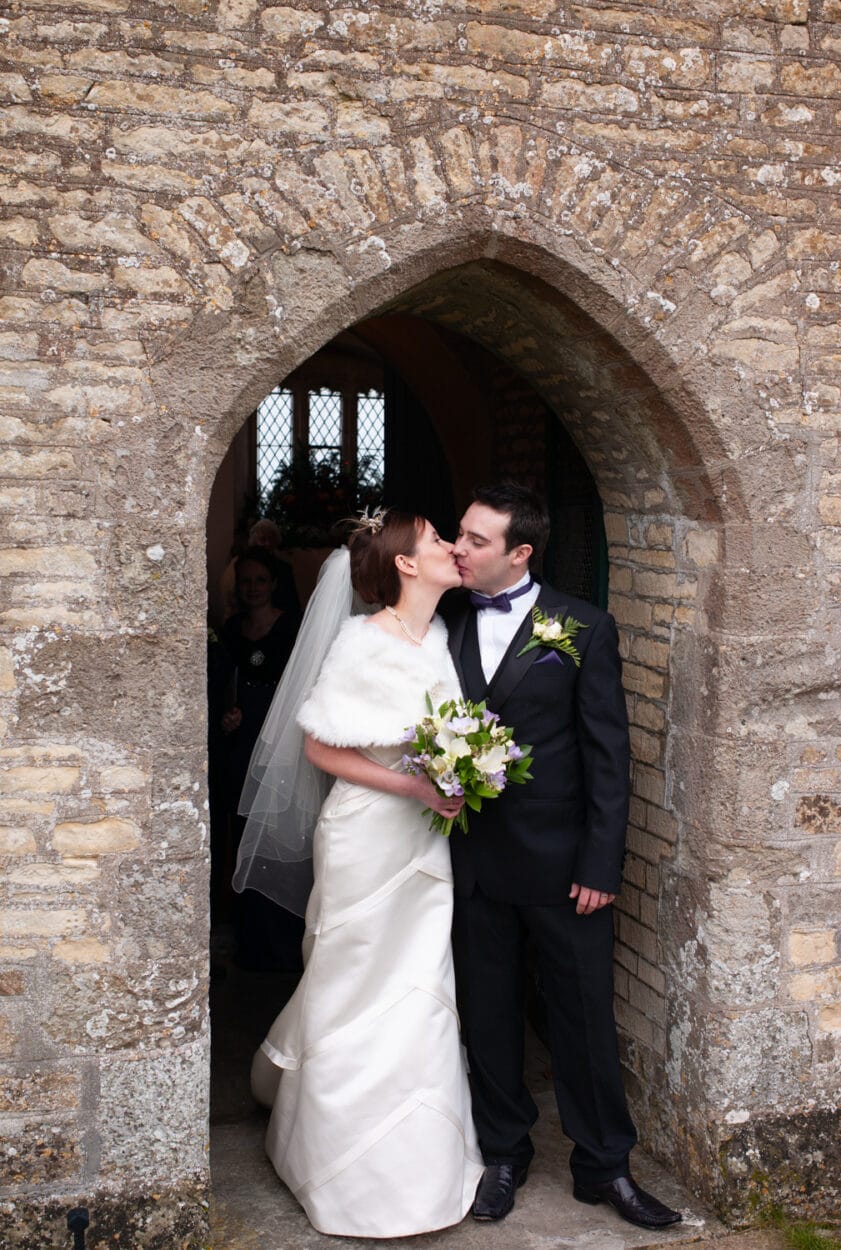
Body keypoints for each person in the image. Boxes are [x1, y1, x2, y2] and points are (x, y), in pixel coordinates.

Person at [234, 510, 484, 1238]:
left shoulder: (436, 637)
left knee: (419, 981)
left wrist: (461, 772)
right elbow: (320, 749)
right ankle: (333, 1160)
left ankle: (422, 1161)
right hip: (367, 835)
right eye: (437, 539)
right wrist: (411, 786)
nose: (448, 548)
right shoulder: (360, 639)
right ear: (405, 563)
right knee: (356, 978)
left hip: (422, 841)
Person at [443, 482, 681, 1231]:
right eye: (459, 534)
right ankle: (504, 1152)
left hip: (563, 867)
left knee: (581, 1018)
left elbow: (609, 757)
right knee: (488, 1016)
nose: (459, 547)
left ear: (519, 553)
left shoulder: (581, 624)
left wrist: (600, 866)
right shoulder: (439, 623)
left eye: (476, 540)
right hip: (473, 862)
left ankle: (603, 1165)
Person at [212, 545, 302, 968]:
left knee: (275, 832)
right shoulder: (230, 631)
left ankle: (280, 941)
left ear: (274, 585)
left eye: (259, 580)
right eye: (245, 581)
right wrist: (225, 715)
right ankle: (248, 938)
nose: (251, 588)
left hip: (279, 744)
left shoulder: (290, 630)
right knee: (240, 829)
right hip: (240, 743)